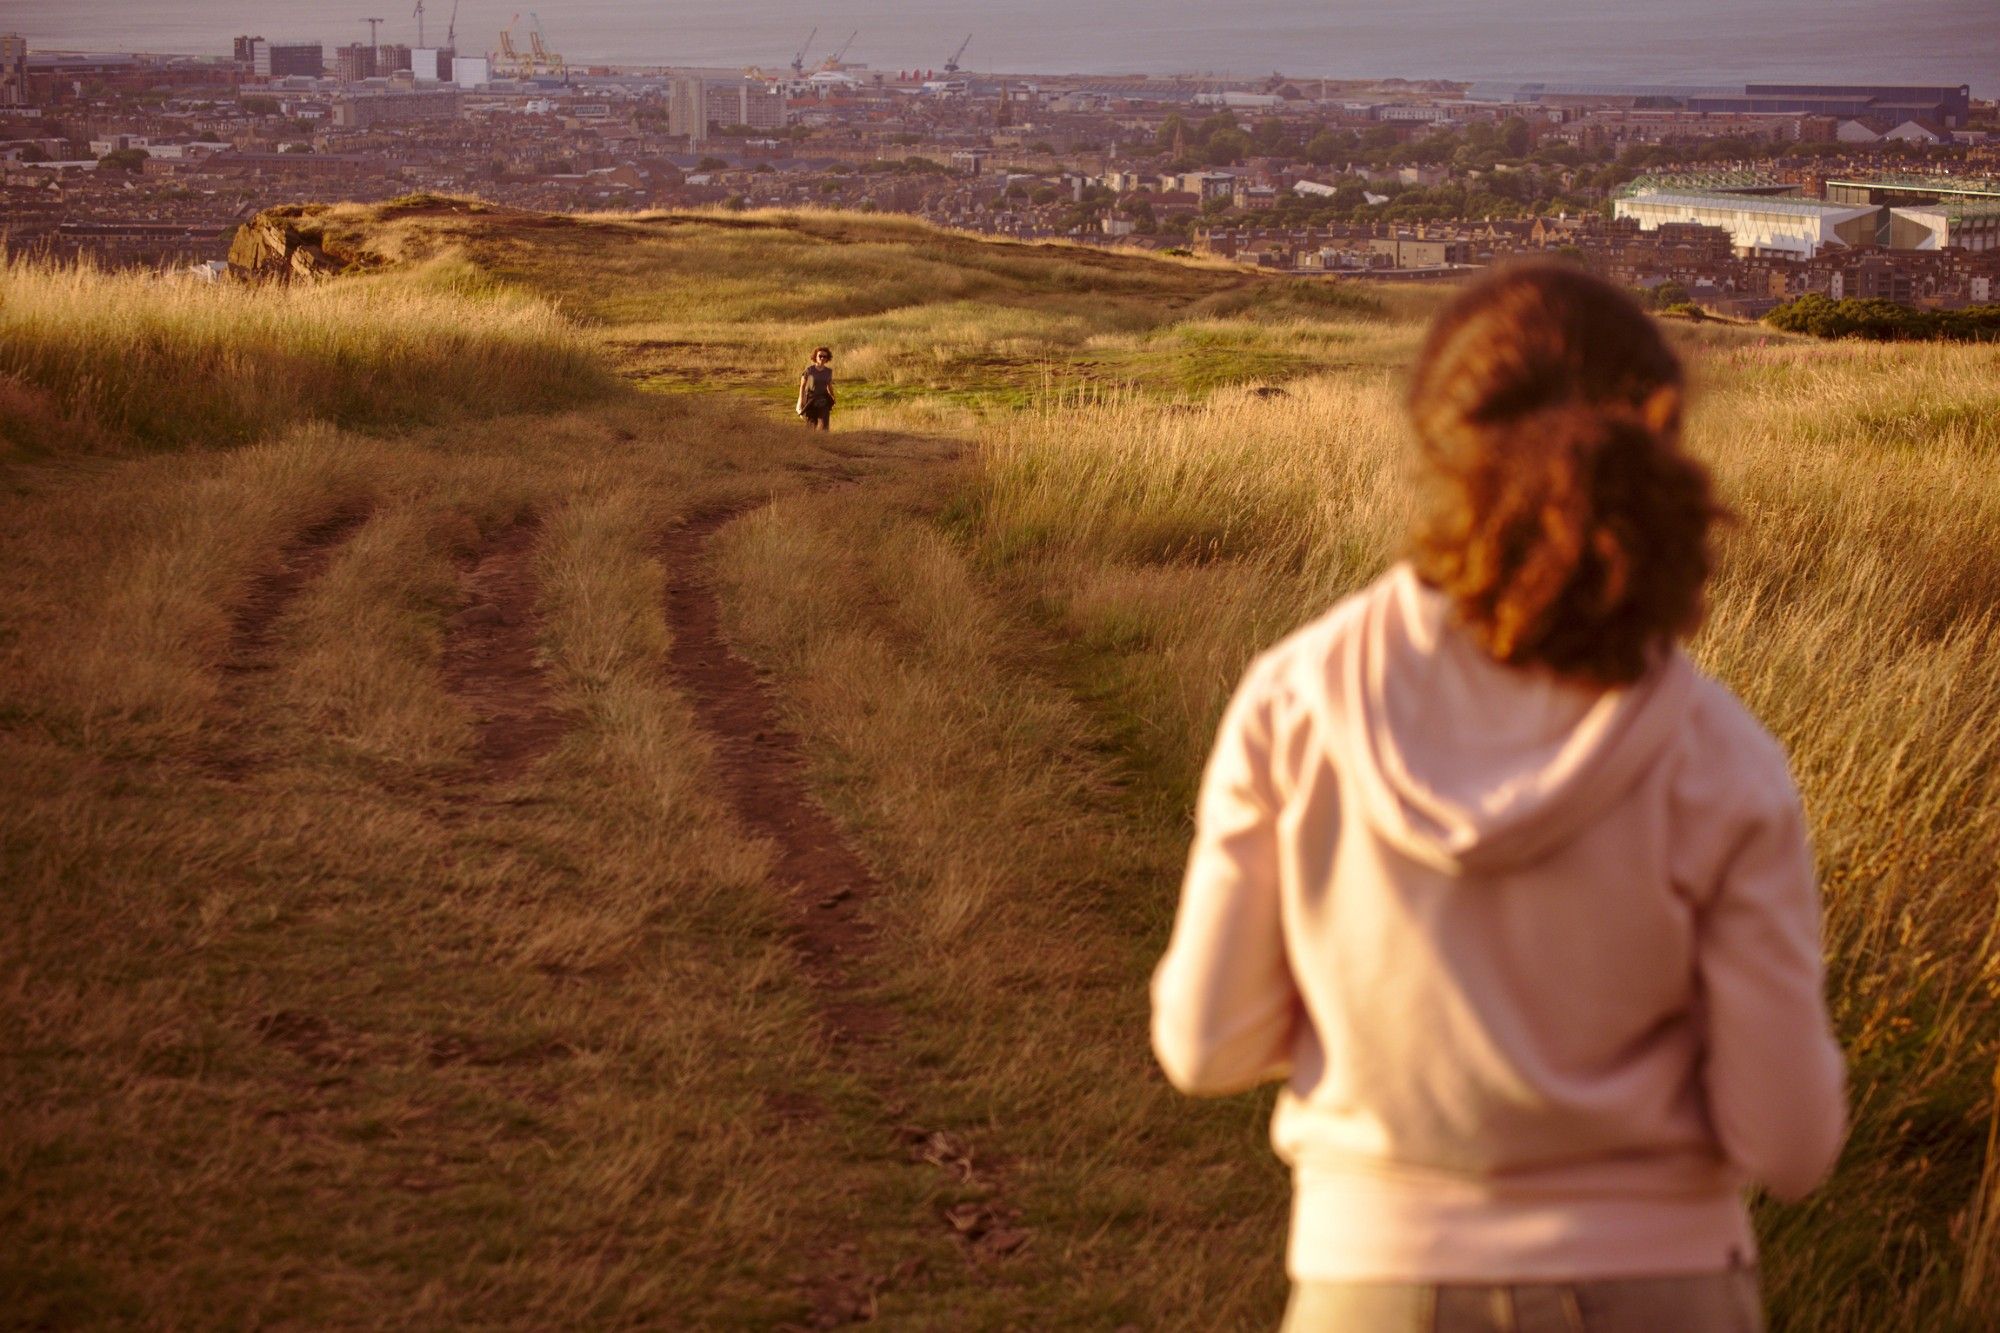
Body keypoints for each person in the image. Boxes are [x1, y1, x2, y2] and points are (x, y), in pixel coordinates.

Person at [1150, 263, 1846, 1333]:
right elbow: (1791, 1146)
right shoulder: (1719, 757)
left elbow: (1205, 1045)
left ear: (1435, 437)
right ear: (1657, 439)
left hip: (1374, 1281)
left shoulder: (1294, 701)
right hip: (1664, 1286)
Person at [797, 345, 835, 431]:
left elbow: (829, 386)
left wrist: (833, 397)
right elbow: (802, 387)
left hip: (823, 400)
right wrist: (801, 400)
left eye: (824, 356)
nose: (822, 358)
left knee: (824, 425)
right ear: (815, 357)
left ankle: (825, 441)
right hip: (811, 400)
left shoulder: (829, 371)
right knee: (811, 425)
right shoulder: (809, 370)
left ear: (827, 358)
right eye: (820, 356)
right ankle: (811, 442)